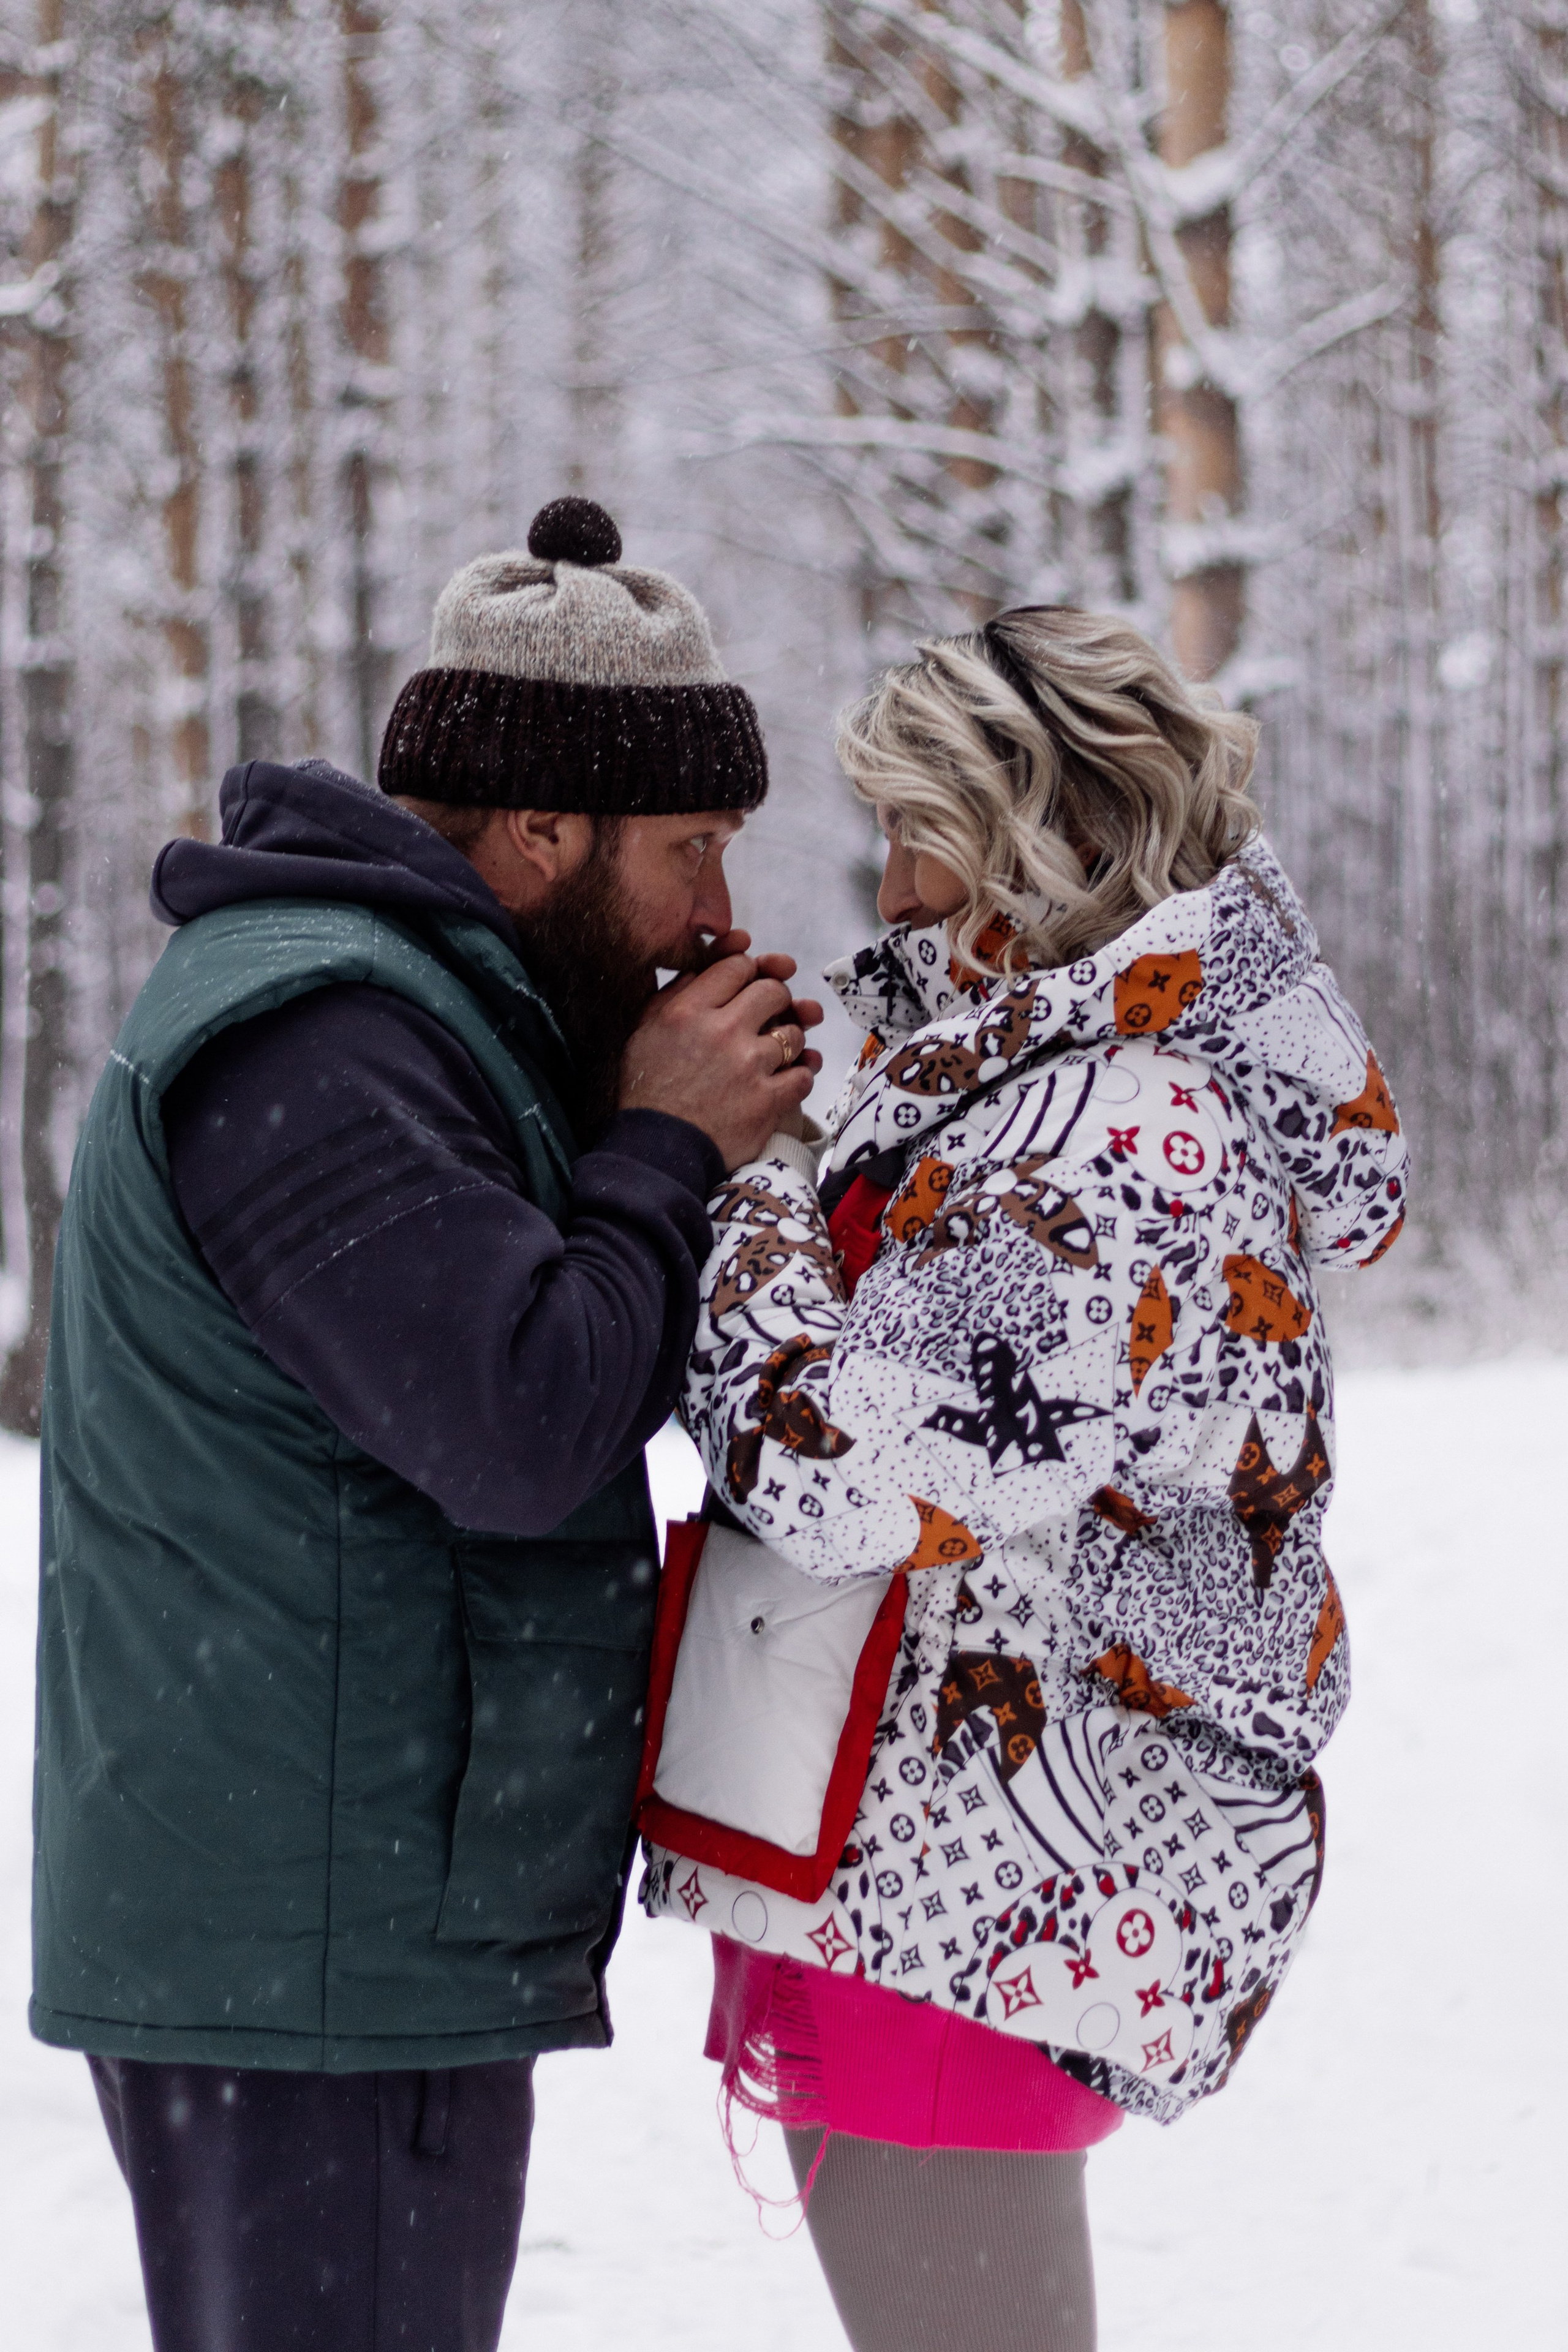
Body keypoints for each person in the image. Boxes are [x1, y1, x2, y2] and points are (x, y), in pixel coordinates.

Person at [31, 496, 822, 2352]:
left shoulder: (404, 1016)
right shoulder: (322, 1042)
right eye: (694, 851)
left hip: (327, 1930)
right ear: (545, 831)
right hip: (311, 1952)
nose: (721, 913)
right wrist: (660, 1148)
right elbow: (524, 1418)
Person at [644, 605, 1408, 2352]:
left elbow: (850, 1463)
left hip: (997, 1888)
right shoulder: (1032, 1084)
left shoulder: (1124, 1129)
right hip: (954, 1863)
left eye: (921, 828)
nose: (889, 885)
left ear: (1041, 840)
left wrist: (737, 1181)